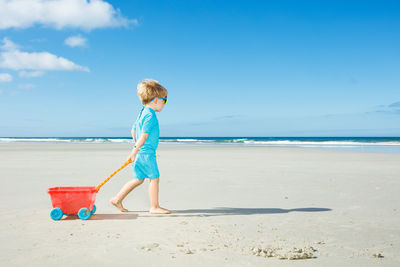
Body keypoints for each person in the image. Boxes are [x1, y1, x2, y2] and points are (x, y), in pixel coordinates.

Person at [110, 79, 171, 214]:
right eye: (164, 100)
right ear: (156, 100)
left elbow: (133, 131)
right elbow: (143, 136)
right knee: (154, 178)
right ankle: (154, 207)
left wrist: (135, 148)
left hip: (140, 154)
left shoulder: (142, 112)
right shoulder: (151, 116)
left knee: (138, 179)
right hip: (146, 154)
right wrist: (134, 151)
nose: (165, 103)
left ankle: (117, 198)